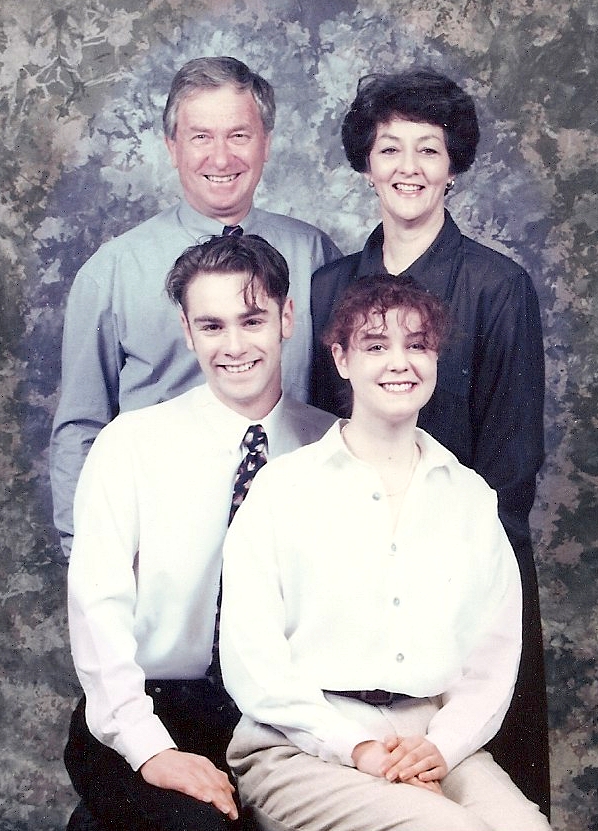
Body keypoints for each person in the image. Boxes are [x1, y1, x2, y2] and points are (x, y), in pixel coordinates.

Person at [220, 275, 552, 831]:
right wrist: (357, 749)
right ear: (342, 359)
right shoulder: (282, 489)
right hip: (298, 741)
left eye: (417, 345)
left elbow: (490, 664)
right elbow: (254, 661)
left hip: (428, 737)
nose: (400, 363)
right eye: (376, 346)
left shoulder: (471, 497)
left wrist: (442, 747)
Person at [309, 68, 549, 815]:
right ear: (366, 162)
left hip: (472, 572)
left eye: (429, 149)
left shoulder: (498, 286)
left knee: (483, 795)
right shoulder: (327, 288)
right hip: (354, 576)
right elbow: (322, 441)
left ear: (453, 167)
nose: (408, 167)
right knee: (376, 797)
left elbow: (512, 464)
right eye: (390, 148)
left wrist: (456, 582)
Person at [64, 234, 336, 831]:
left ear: (287, 318)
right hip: (147, 706)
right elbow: (96, 610)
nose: (234, 345)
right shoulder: (131, 444)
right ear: (187, 332)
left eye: (253, 320)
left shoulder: (333, 446)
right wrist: (151, 750)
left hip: (277, 717)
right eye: (211, 326)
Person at [50, 55, 341, 558]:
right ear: (172, 147)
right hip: (162, 540)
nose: (221, 157)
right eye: (201, 136)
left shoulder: (316, 257)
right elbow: (81, 427)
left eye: (239, 135)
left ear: (266, 143)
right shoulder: (113, 272)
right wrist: (92, 559)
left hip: (296, 534)